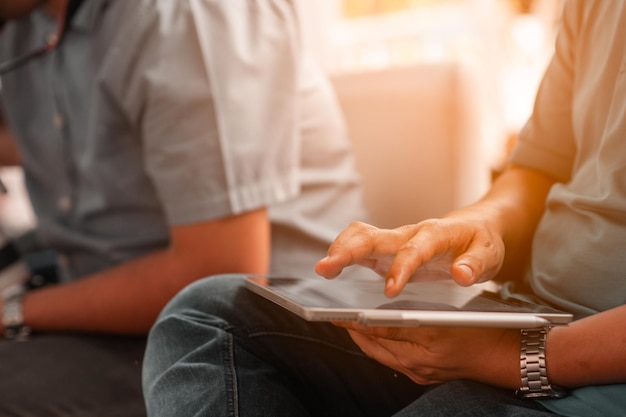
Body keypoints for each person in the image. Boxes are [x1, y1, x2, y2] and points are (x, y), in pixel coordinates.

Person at [142, 1, 626, 416]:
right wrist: (474, 230)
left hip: (596, 368)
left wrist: (514, 358)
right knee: (207, 319)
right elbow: (538, 170)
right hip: (532, 316)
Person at [0, 0, 366, 415]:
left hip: (239, 337)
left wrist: (13, 311)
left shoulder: (187, 15)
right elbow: (50, 134)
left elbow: (217, 273)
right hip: (110, 311)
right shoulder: (28, 21)